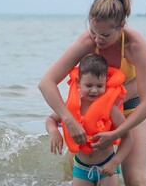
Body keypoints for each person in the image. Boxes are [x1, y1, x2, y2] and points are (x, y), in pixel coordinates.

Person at [39, 0, 146, 185]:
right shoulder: (86, 42)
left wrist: (116, 133)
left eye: (104, 34)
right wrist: (68, 120)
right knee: (73, 174)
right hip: (86, 116)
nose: (97, 40)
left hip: (129, 112)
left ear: (121, 26)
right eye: (93, 31)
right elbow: (46, 82)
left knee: (135, 178)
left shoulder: (135, 46)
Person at [45, 53, 133, 185]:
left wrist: (114, 163)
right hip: (81, 169)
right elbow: (51, 120)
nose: (94, 90)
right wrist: (54, 132)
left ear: (106, 84)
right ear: (79, 82)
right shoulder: (72, 105)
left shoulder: (110, 109)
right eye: (89, 85)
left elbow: (128, 138)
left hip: (107, 167)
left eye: (99, 86)